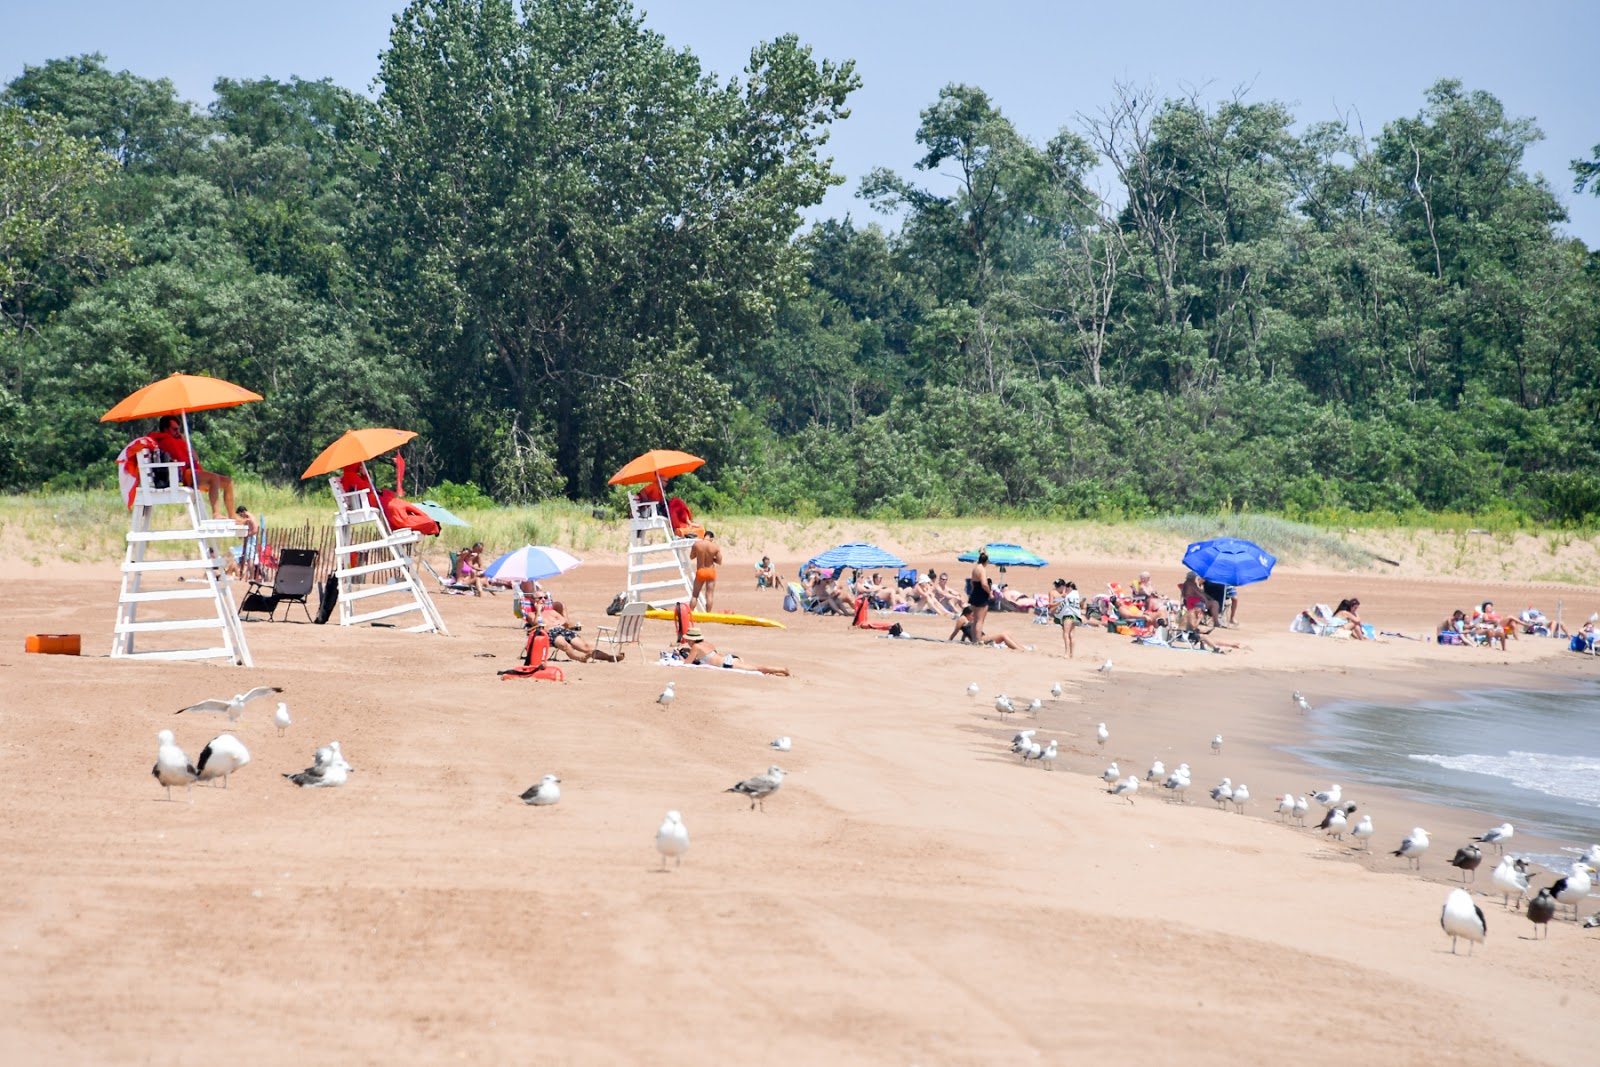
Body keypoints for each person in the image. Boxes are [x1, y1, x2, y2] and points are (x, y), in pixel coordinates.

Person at [151, 415, 235, 519]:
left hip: (191, 470)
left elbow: (195, 457)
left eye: (179, 429)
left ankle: (233, 516)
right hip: (183, 474)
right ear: (165, 429)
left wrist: (184, 441)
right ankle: (216, 513)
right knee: (214, 478)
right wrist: (180, 443)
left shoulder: (177, 440)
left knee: (228, 482)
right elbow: (182, 458)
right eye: (175, 429)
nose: (178, 432)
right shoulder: (166, 440)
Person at [677, 627, 788, 675]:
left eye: (687, 639)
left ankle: (782, 669)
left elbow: (687, 664)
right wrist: (688, 649)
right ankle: (779, 672)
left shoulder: (695, 647)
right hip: (729, 658)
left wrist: (680, 655)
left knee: (756, 668)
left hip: (727, 663)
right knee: (755, 669)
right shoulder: (705, 644)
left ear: (692, 639)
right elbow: (705, 654)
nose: (686, 641)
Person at [531, 612, 621, 663]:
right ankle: (579, 658)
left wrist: (562, 622)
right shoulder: (532, 613)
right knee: (565, 645)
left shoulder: (552, 611)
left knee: (586, 647)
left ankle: (609, 657)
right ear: (535, 600)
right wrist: (538, 610)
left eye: (544, 597)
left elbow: (566, 622)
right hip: (549, 633)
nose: (543, 600)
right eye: (540, 598)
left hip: (563, 630)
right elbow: (535, 624)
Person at [948, 605, 1028, 650]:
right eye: (972, 615)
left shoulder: (967, 620)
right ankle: (1019, 649)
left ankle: (1021, 647)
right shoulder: (962, 619)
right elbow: (956, 631)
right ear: (966, 614)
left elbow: (966, 631)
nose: (974, 617)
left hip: (982, 636)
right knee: (1003, 636)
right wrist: (949, 641)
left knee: (1006, 633)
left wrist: (963, 640)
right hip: (980, 639)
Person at [1050, 579, 1083, 658]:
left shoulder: (1067, 596)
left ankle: (1067, 653)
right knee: (1072, 634)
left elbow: (1063, 605)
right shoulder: (1076, 596)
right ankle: (1072, 654)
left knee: (1066, 634)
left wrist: (1062, 600)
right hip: (1075, 615)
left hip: (1068, 616)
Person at [689, 530, 722, 611]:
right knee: (709, 595)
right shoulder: (715, 547)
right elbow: (719, 561)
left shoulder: (696, 545)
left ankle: (690, 612)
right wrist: (711, 559)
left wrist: (699, 555)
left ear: (704, 536)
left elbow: (691, 557)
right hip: (710, 571)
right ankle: (708, 614)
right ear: (711, 538)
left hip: (701, 571)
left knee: (695, 595)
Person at [227, 505, 261, 580]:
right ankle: (250, 575)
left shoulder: (251, 518)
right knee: (248, 557)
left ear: (243, 512)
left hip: (251, 538)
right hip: (250, 538)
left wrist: (246, 535)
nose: (241, 516)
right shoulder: (248, 519)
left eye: (240, 514)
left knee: (250, 558)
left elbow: (255, 530)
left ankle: (251, 576)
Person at [967, 550, 993, 642]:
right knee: (980, 620)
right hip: (981, 596)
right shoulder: (982, 569)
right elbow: (984, 584)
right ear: (986, 561)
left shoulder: (975, 569)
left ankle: (974, 639)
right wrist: (990, 593)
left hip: (975, 595)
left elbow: (971, 582)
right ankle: (978, 640)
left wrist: (972, 592)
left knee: (975, 620)